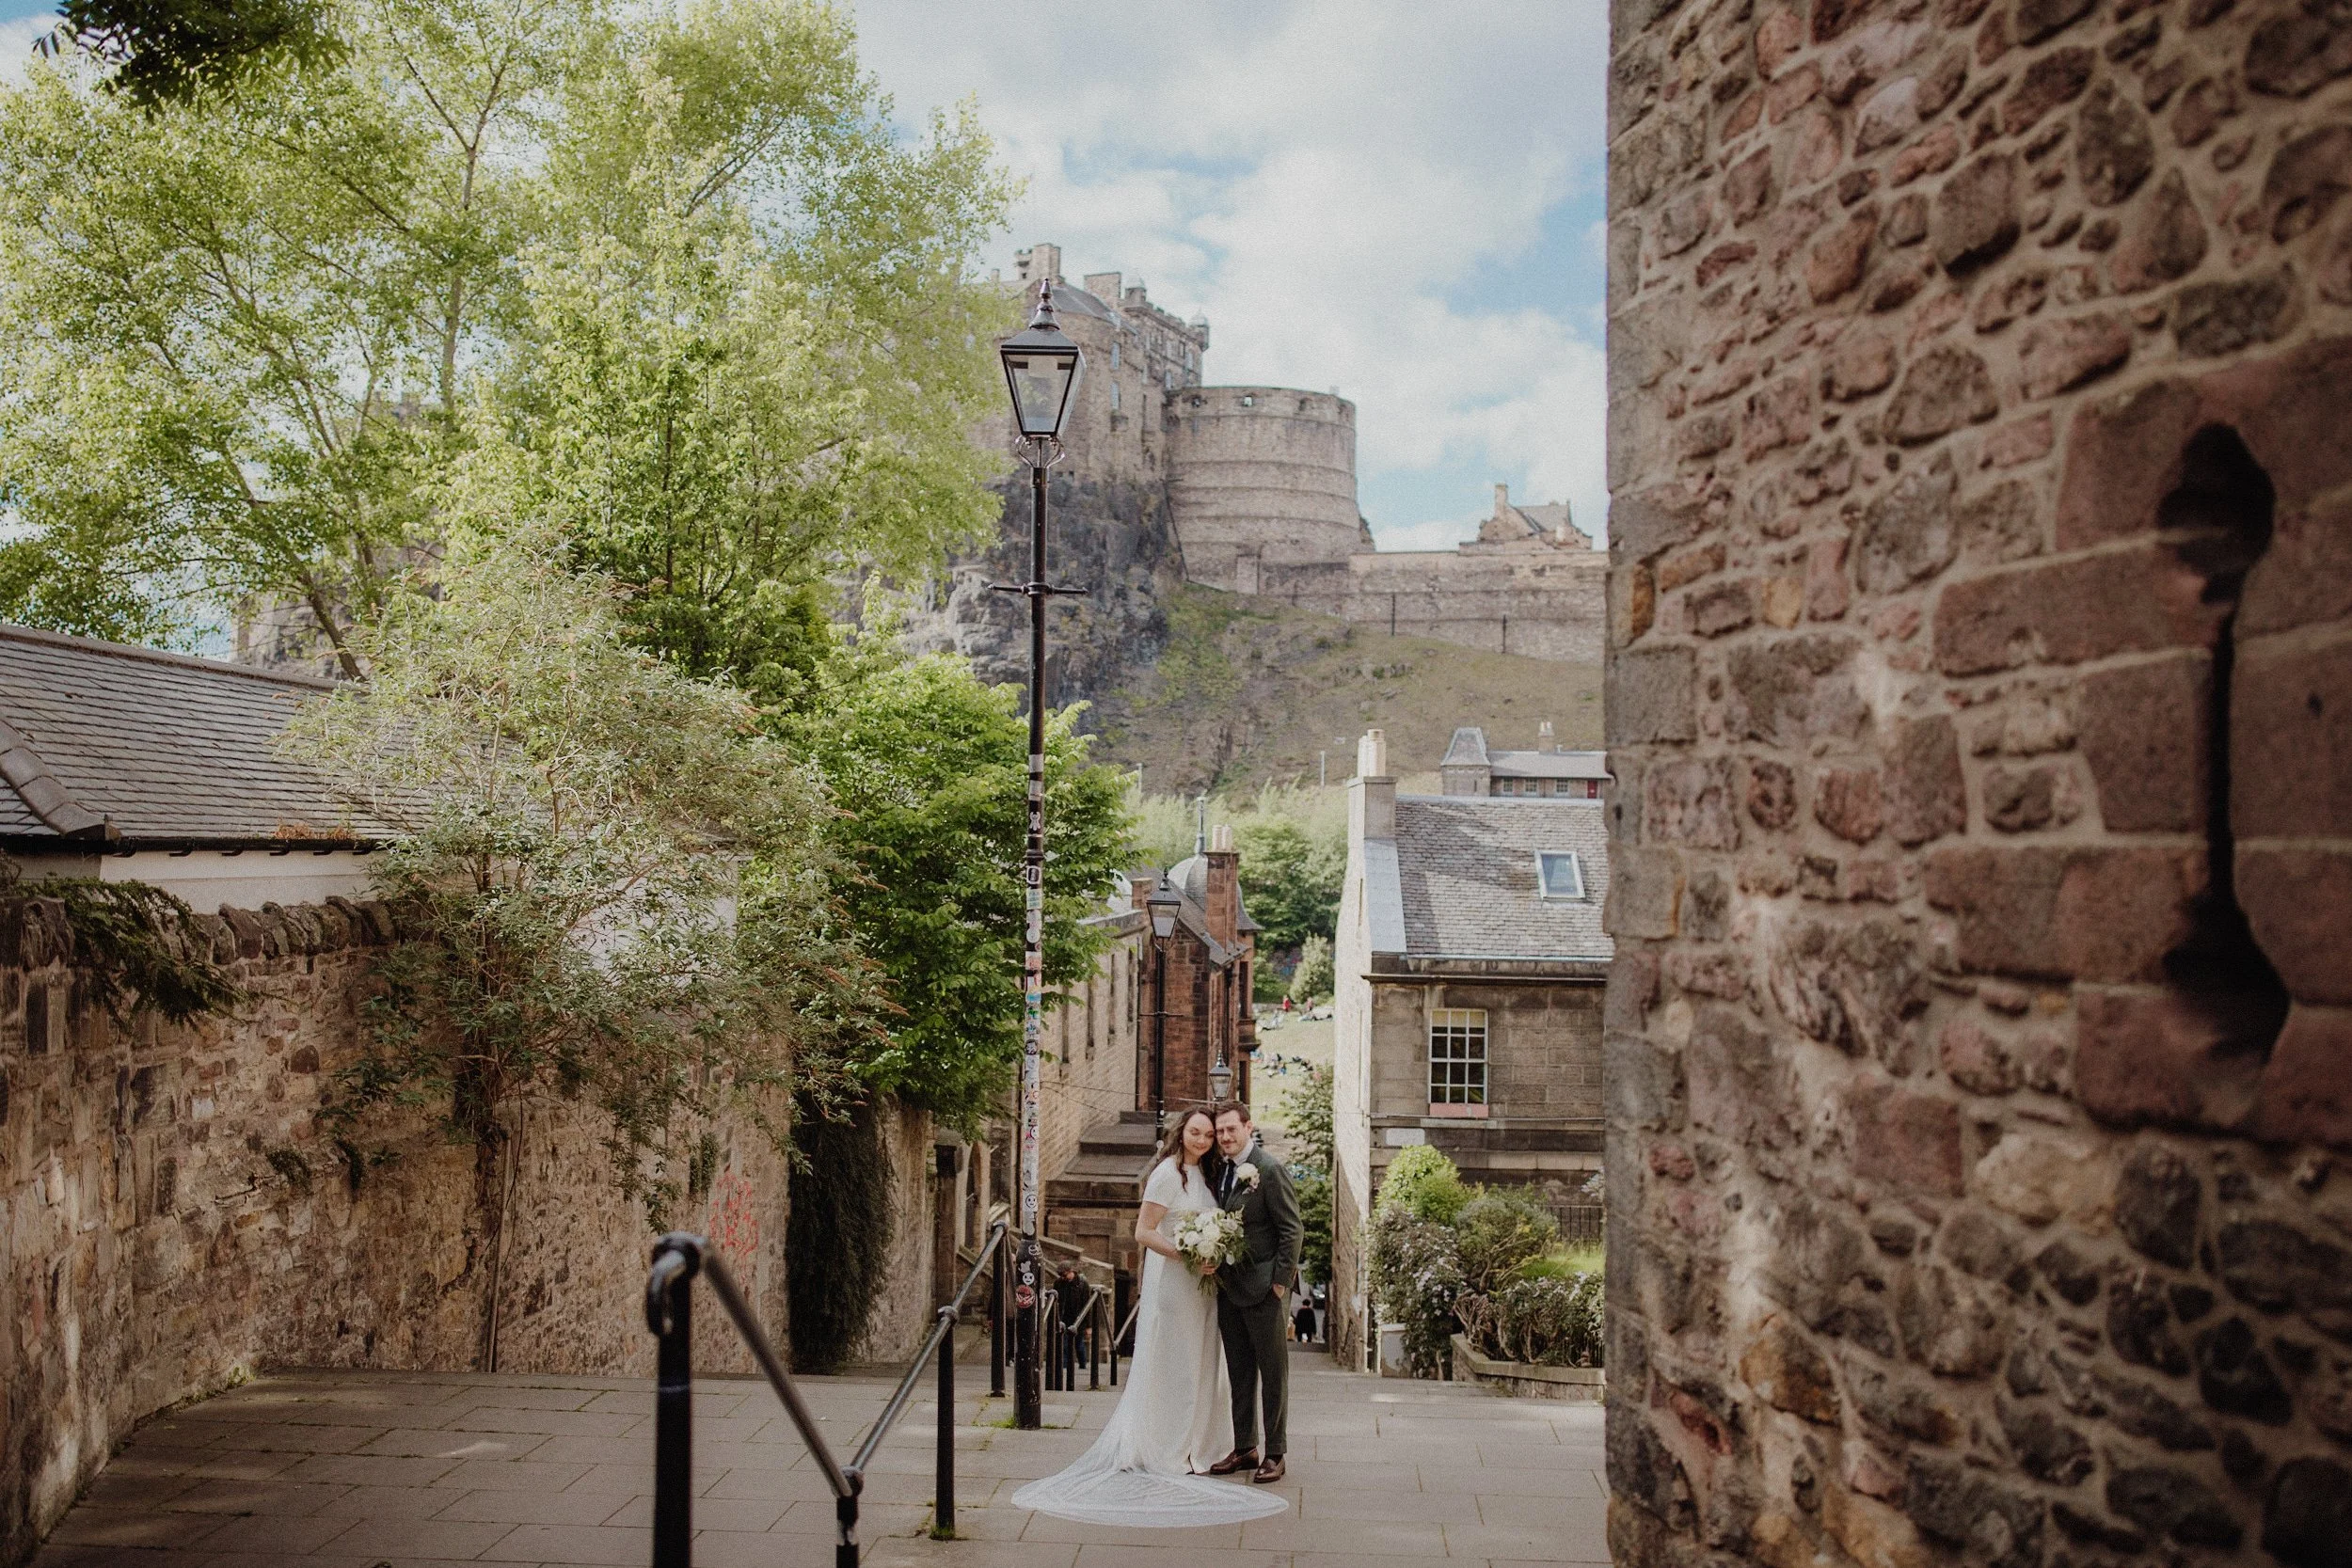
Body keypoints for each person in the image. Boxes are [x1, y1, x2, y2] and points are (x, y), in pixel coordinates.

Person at [1010, 1108, 1289, 1527]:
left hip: (1210, 1290)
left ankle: (1213, 1444)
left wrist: (1271, 1279)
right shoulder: (1166, 1173)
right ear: (1182, 1133)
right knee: (1174, 1364)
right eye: (1199, 1132)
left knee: (1206, 1365)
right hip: (1178, 1284)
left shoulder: (1216, 1174)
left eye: (1212, 1133)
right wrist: (1188, 1254)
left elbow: (1276, 1227)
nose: (1206, 1139)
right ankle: (1167, 1446)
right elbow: (1143, 1231)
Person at [1205, 1101, 1301, 1485]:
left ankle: (1276, 1453)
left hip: (1265, 1291)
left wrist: (1279, 1284)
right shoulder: (1220, 1170)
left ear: (1248, 1127)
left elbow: (1292, 1230)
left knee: (1273, 1373)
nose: (1225, 1137)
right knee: (1239, 1372)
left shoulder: (1269, 1170)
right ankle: (1245, 1447)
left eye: (1232, 1129)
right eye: (1220, 1131)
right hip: (1229, 1289)